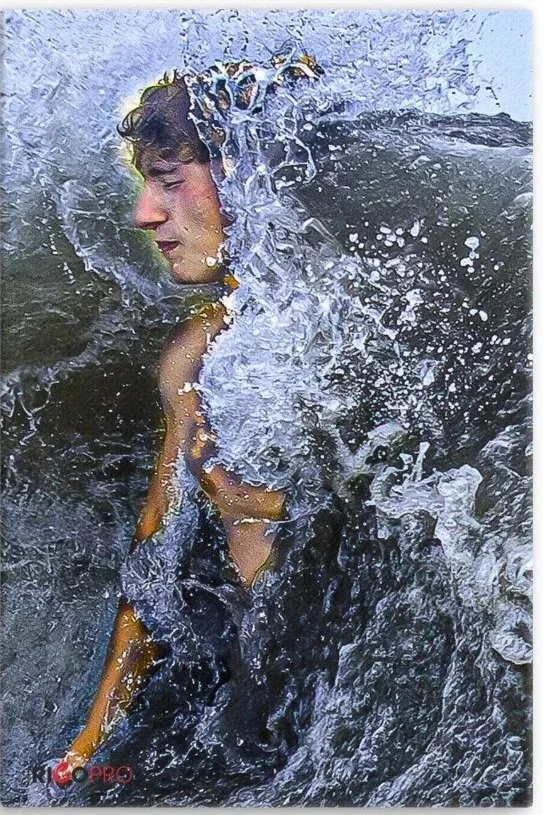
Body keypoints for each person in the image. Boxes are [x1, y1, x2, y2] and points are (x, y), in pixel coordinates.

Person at [59, 69, 294, 777]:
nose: (142, 213)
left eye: (167, 179)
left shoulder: (343, 337)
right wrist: (86, 745)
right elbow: (152, 560)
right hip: (258, 717)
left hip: (340, 691)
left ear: (243, 171)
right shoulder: (192, 352)